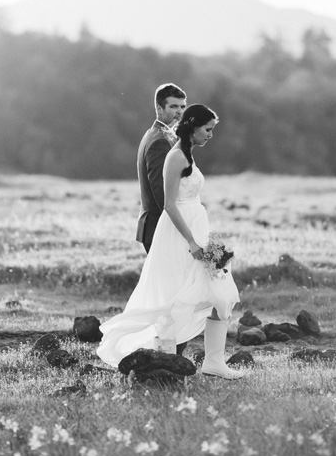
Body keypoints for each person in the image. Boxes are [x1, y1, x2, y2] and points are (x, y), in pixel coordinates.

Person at [98, 104, 245, 379]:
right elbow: (169, 205)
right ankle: (166, 361)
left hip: (197, 230)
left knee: (220, 296)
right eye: (208, 129)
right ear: (192, 126)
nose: (211, 135)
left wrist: (207, 239)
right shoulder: (175, 157)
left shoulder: (188, 154)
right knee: (182, 298)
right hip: (180, 236)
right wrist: (192, 242)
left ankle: (213, 363)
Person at [136, 83, 186, 254]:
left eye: (182, 107)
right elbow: (162, 193)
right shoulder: (160, 141)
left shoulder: (156, 133)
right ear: (159, 108)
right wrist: (184, 230)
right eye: (173, 106)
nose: (179, 112)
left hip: (157, 228)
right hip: (159, 229)